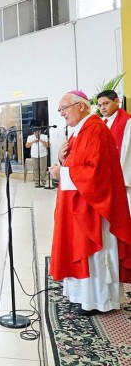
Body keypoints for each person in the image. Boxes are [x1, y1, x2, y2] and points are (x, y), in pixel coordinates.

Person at [48, 90, 131, 316]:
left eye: (64, 108)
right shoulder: (79, 131)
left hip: (94, 207)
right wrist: (62, 160)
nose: (62, 114)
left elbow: (97, 173)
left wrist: (62, 173)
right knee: (79, 248)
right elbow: (77, 162)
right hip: (80, 203)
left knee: (94, 254)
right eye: (60, 110)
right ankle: (82, 297)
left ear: (81, 106)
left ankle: (98, 301)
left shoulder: (95, 130)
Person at [97, 90, 131, 208]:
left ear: (116, 101)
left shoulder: (127, 122)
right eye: (100, 105)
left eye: (106, 103)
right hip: (105, 174)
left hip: (121, 176)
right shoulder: (102, 122)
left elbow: (127, 152)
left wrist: (124, 179)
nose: (103, 108)